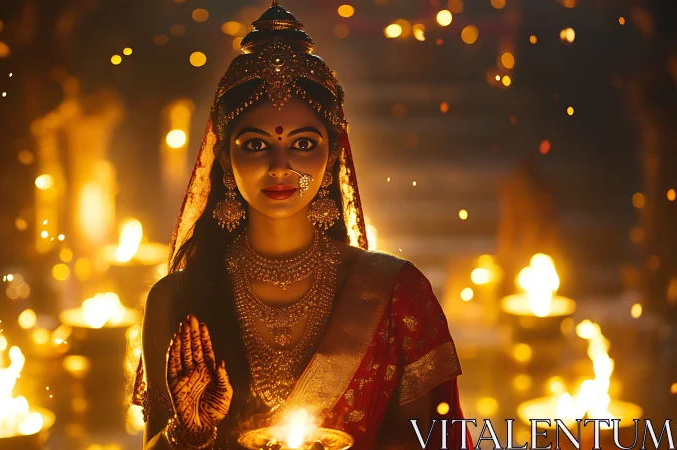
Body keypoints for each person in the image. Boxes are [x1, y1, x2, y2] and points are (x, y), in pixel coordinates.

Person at [131, 2, 472, 449]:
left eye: (303, 144)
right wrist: (189, 433)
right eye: (255, 145)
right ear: (222, 157)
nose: (280, 166)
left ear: (332, 159)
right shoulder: (176, 300)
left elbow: (432, 443)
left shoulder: (395, 295)